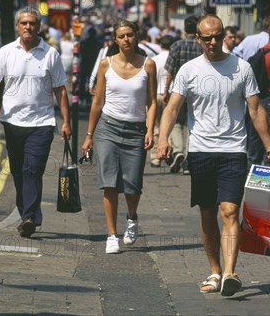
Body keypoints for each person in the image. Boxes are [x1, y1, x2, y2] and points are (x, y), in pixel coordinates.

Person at [157, 14, 270, 297]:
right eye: (207, 38)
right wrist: (162, 138)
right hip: (201, 151)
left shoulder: (242, 68)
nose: (213, 42)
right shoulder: (189, 70)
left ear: (224, 34)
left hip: (233, 150)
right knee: (207, 213)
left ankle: (230, 272)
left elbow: (256, 110)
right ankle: (214, 270)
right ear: (198, 38)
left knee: (230, 210)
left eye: (217, 36)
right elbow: (172, 107)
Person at [0, 7, 71, 238]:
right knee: (18, 171)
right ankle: (27, 215)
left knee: (32, 169)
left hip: (41, 123)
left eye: (32, 23)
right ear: (17, 26)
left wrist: (66, 122)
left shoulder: (50, 54)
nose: (28, 27)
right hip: (12, 122)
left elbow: (60, 90)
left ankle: (30, 217)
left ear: (39, 26)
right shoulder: (6, 52)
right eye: (23, 23)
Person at [81, 19, 157, 254]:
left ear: (136, 36)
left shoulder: (148, 65)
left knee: (133, 185)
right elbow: (97, 102)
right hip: (108, 129)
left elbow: (152, 101)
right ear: (115, 40)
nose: (126, 40)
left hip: (135, 131)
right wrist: (89, 134)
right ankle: (111, 235)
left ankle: (132, 218)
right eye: (121, 36)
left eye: (130, 35)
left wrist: (150, 129)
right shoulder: (106, 64)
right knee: (109, 184)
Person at [163, 15, 202, 174]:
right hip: (198, 91)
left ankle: (178, 150)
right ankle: (187, 158)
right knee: (192, 124)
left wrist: (166, 91)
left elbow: (170, 71)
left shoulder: (176, 45)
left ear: (185, 29)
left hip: (178, 91)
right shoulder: (202, 46)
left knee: (177, 122)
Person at [247, 25, 270, 165]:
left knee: (255, 132)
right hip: (269, 98)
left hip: (256, 97)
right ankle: (269, 163)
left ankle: (252, 162)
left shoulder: (260, 53)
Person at [149, 34, 175, 167]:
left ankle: (155, 157)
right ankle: (169, 152)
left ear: (161, 45)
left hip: (155, 95)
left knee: (155, 126)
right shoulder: (173, 59)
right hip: (170, 95)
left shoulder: (154, 60)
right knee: (169, 125)